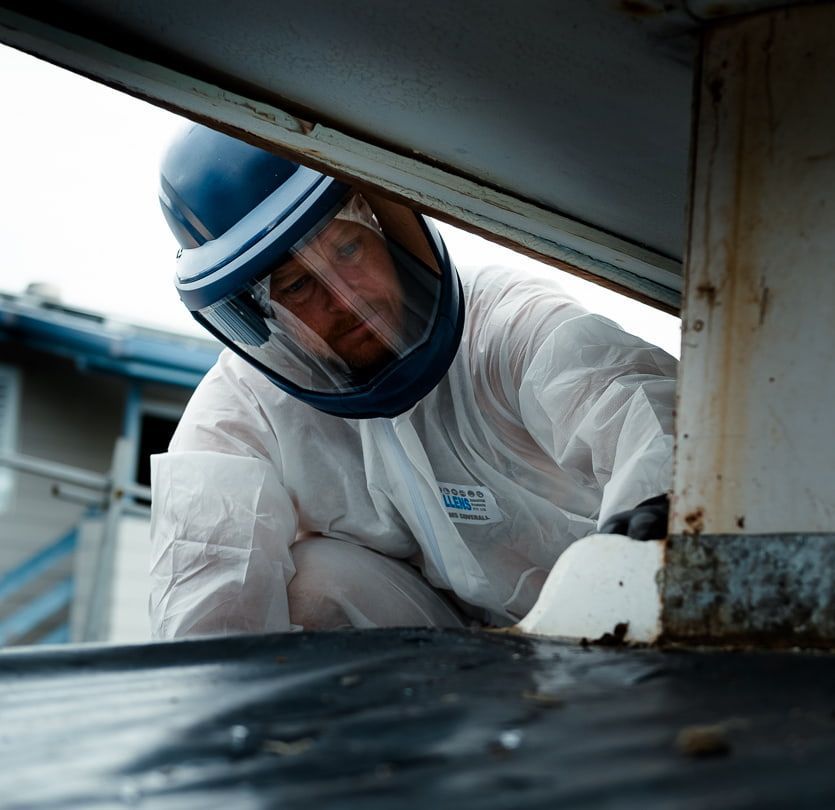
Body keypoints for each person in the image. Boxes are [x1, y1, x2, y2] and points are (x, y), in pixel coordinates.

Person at [149, 124, 677, 638]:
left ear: (386, 226)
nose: (344, 298)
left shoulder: (503, 326)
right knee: (311, 583)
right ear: (261, 313)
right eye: (298, 284)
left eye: (348, 250)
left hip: (615, 629)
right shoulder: (248, 406)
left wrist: (652, 526)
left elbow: (638, 405)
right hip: (453, 674)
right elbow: (206, 574)